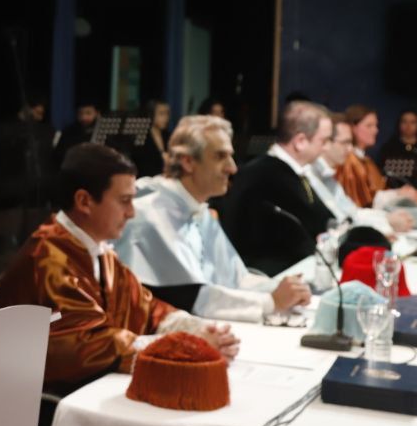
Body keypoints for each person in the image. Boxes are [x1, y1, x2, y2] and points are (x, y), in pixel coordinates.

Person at [0, 142, 239, 393]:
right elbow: (87, 346)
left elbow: (144, 307)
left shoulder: (97, 249)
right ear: (84, 201)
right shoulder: (48, 258)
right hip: (30, 401)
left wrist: (197, 330)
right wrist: (185, 346)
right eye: (124, 201)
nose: (132, 213)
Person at [116, 116, 311, 323]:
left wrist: (283, 288)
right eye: (220, 157)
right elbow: (193, 298)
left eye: (230, 157)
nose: (232, 168)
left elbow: (236, 279)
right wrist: (270, 302)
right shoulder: (150, 216)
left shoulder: (198, 209)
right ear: (188, 161)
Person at [219, 100, 336, 275]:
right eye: (324, 140)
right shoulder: (266, 175)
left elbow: (326, 220)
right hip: (263, 276)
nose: (327, 147)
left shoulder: (290, 171)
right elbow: (315, 227)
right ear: (300, 141)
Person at [310, 114, 415, 234]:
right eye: (369, 125)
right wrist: (388, 220)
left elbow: (351, 212)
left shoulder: (327, 175)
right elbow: (343, 220)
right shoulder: (347, 164)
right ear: (325, 143)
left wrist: (386, 218)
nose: (376, 130)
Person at [335, 104, 391, 208]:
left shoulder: (365, 160)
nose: (375, 130)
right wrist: (396, 195)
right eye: (369, 125)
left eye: (376, 125)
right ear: (353, 127)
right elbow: (361, 200)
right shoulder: (349, 161)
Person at [377, 109, 417, 188]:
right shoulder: (388, 148)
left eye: (412, 122)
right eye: (404, 121)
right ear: (399, 124)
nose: (408, 126)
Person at [53, 100, 101, 167]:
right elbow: (58, 155)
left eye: (88, 113)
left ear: (97, 114)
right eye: (80, 113)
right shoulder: (69, 132)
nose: (83, 117)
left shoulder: (103, 131)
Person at [131, 98, 171, 178]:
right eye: (161, 114)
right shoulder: (142, 136)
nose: (166, 118)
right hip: (146, 179)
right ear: (151, 114)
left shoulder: (169, 135)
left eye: (167, 114)